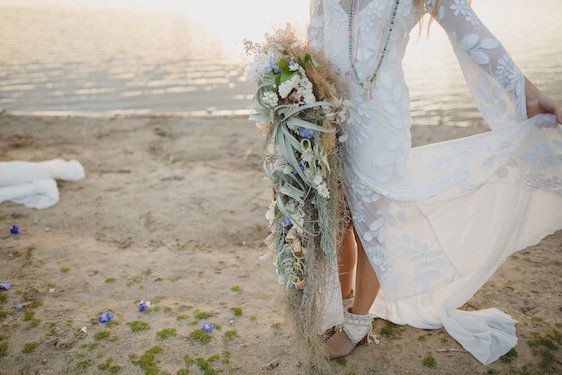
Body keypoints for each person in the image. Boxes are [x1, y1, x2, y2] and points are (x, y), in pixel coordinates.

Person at [305, 0, 562, 364]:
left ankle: (358, 323)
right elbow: (314, 41)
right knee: (337, 214)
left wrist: (530, 95)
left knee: (373, 221)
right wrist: (297, 98)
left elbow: (475, 37)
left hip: (380, 119)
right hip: (328, 112)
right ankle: (343, 302)